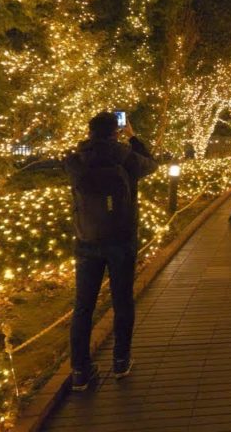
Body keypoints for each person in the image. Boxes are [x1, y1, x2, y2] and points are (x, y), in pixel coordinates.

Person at [64, 112, 159, 391]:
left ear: (89, 132)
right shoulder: (124, 156)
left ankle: (80, 371)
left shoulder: (76, 159)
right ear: (116, 131)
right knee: (122, 300)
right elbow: (152, 165)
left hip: (86, 241)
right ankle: (120, 361)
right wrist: (133, 137)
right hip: (121, 239)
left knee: (83, 307)